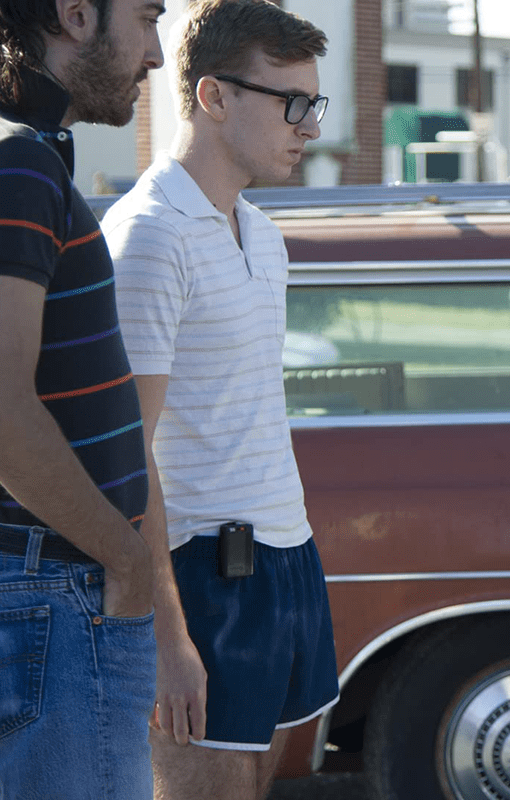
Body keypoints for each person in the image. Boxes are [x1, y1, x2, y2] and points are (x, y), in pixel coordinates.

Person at [101, 2, 337, 798]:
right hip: (201, 571)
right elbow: (126, 455)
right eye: (291, 102)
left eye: (314, 103)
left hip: (286, 552)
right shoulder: (149, 236)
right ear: (213, 96)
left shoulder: (263, 234)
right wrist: (166, 635)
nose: (310, 126)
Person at [0, 1, 165, 798]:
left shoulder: (30, 161)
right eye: (147, 18)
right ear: (75, 15)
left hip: (52, 588)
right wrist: (125, 562)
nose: (156, 54)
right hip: (57, 592)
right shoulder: (21, 166)